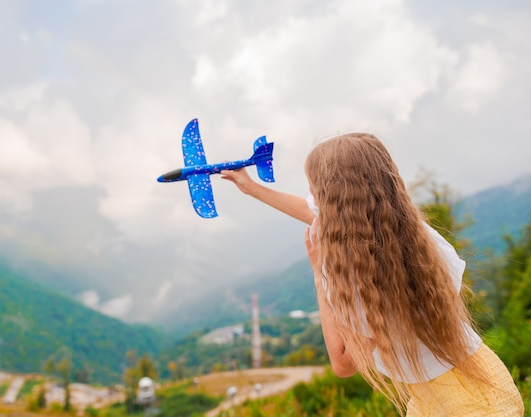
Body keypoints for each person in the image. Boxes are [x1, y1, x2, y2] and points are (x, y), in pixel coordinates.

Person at [221, 132, 524, 416]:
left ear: (333, 202)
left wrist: (318, 275)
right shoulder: (423, 239)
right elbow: (318, 213)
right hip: (489, 385)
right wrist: (251, 188)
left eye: (314, 189)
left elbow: (343, 362)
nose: (311, 197)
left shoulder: (352, 277)